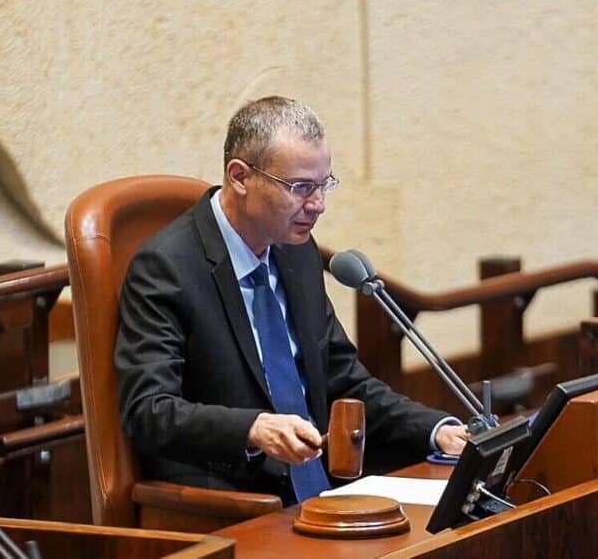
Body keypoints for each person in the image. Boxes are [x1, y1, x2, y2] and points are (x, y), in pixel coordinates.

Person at [115, 96, 467, 504]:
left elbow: (345, 380)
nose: (317, 205)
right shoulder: (166, 267)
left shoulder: (297, 252)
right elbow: (148, 410)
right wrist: (252, 429)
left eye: (324, 185)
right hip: (234, 502)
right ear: (240, 176)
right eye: (301, 188)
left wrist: (435, 429)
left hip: (325, 490)